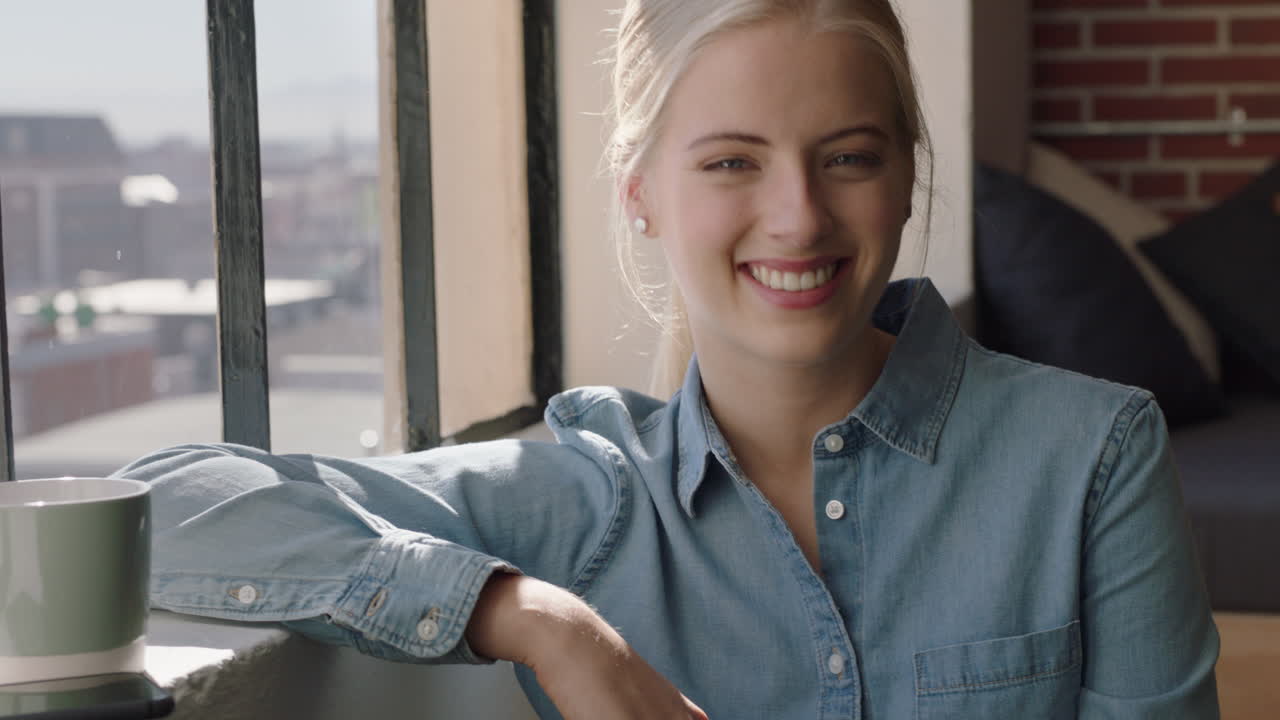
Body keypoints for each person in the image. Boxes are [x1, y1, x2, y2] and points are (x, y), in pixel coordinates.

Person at [116, 1, 1221, 717]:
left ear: (904, 175)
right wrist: (535, 620)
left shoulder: (1089, 453)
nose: (796, 216)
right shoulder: (575, 503)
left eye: (845, 156)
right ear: (639, 193)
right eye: (732, 161)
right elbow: (158, 503)